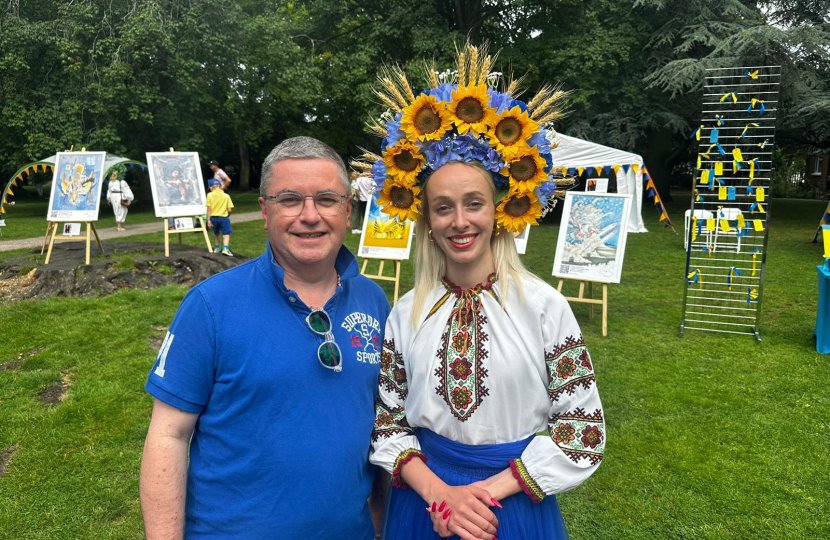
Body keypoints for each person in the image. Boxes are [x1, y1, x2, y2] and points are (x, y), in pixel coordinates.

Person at [357, 43, 605, 540]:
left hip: (510, 509)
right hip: (424, 507)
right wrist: (438, 494)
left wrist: (483, 495)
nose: (460, 220)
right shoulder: (406, 313)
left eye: (474, 203)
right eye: (442, 207)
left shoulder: (544, 307)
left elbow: (583, 430)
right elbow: (385, 424)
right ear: (426, 221)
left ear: (499, 211)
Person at [140, 136, 392, 540]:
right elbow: (169, 436)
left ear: (348, 211)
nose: (309, 216)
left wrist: (382, 524)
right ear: (264, 211)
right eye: (289, 199)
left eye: (326, 200)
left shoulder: (375, 302)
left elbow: (385, 425)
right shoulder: (210, 306)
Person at [206, 178, 234, 256]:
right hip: (224, 218)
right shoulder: (226, 196)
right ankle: (225, 248)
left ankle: (217, 247)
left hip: (214, 218)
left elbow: (209, 209)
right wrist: (228, 215)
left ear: (211, 187)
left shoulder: (209, 195)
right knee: (226, 234)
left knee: (216, 233)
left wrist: (208, 219)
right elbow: (229, 209)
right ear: (220, 186)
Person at [105, 165, 133, 231]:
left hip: (113, 197)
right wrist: (129, 198)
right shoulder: (122, 182)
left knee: (117, 210)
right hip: (119, 196)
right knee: (121, 210)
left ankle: (120, 225)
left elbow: (109, 191)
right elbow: (126, 190)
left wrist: (109, 199)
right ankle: (119, 226)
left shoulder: (111, 182)